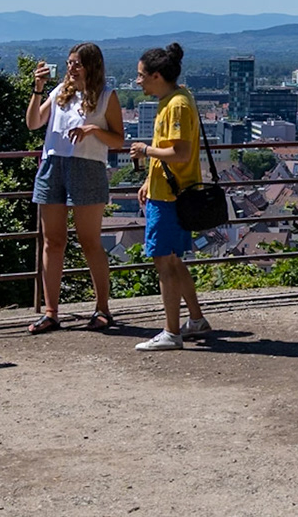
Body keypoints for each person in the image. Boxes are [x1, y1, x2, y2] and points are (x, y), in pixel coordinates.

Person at [25, 43, 122, 333]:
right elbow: (33, 123)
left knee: (89, 241)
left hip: (87, 166)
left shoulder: (107, 97)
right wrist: (38, 89)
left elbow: (118, 140)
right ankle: (51, 312)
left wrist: (93, 130)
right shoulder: (59, 93)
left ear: (92, 66)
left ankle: (102, 308)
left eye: (77, 63)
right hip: (54, 165)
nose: (71, 68)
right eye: (69, 63)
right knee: (52, 241)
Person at [130, 43, 211, 350]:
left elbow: (180, 153)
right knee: (175, 262)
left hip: (169, 198)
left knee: (164, 262)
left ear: (157, 75)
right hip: (167, 191)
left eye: (141, 75)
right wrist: (150, 181)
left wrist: (144, 150)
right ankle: (195, 319)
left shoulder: (175, 105)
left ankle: (171, 332)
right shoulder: (177, 97)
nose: (138, 81)